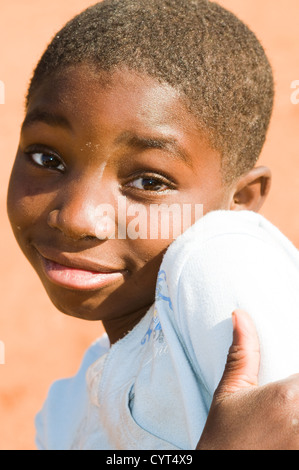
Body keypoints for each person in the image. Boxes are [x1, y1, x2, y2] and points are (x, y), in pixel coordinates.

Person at [6, 0, 299, 449]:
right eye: (49, 158)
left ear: (240, 201)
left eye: (148, 181)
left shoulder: (222, 268)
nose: (77, 217)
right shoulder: (63, 414)